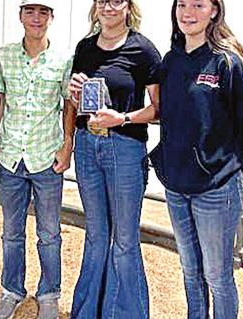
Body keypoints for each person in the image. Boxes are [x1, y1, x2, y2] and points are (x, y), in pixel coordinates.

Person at [150, 0, 243, 318]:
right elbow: (165, 112)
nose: (187, 12)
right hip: (176, 186)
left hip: (217, 189)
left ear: (215, 10)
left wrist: (231, 173)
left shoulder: (230, 64)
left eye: (198, 5)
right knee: (190, 271)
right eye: (182, 5)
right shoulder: (170, 61)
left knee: (218, 276)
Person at [67, 0, 162, 317]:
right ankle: (87, 311)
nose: (108, 7)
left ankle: (124, 313)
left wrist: (120, 118)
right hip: (86, 144)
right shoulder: (84, 48)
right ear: (95, 7)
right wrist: (75, 93)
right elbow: (77, 102)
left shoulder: (143, 50)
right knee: (95, 235)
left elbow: (157, 110)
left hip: (124, 146)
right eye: (102, 1)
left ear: (128, 6)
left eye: (116, 0)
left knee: (124, 239)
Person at [0, 1, 76, 318]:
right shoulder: (4, 56)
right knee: (12, 231)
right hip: (11, 157)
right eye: (30, 11)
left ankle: (49, 293)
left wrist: (67, 145)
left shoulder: (64, 59)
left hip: (47, 158)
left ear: (51, 18)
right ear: (21, 17)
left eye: (43, 12)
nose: (36, 18)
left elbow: (69, 105)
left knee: (49, 233)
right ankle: (11, 290)